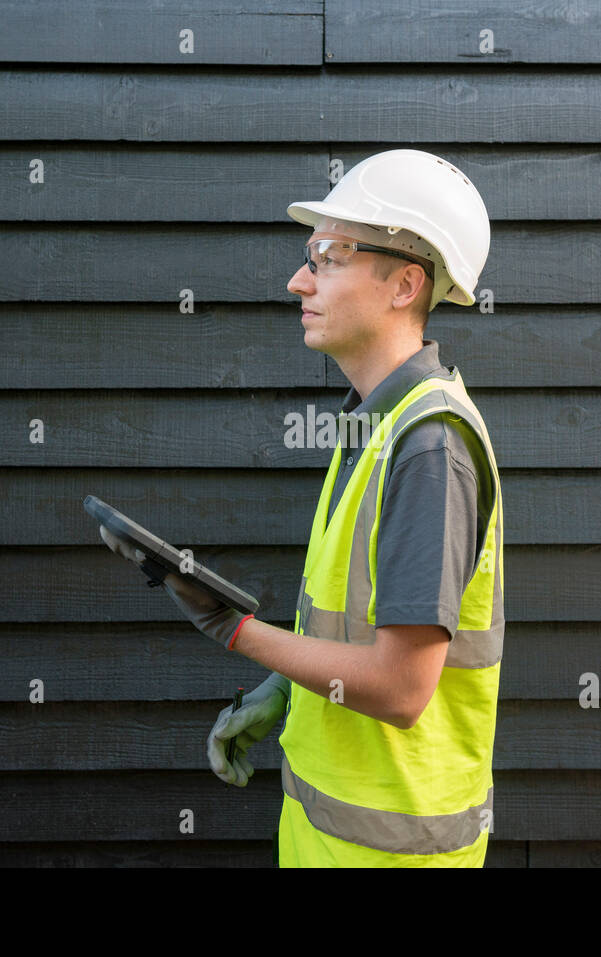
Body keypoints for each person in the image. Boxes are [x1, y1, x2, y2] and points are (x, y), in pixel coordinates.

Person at [102, 148, 504, 867]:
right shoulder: (376, 425)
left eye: (329, 256)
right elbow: (350, 630)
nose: (299, 280)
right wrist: (284, 691)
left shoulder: (427, 446)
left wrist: (236, 631)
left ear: (404, 284)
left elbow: (403, 688)